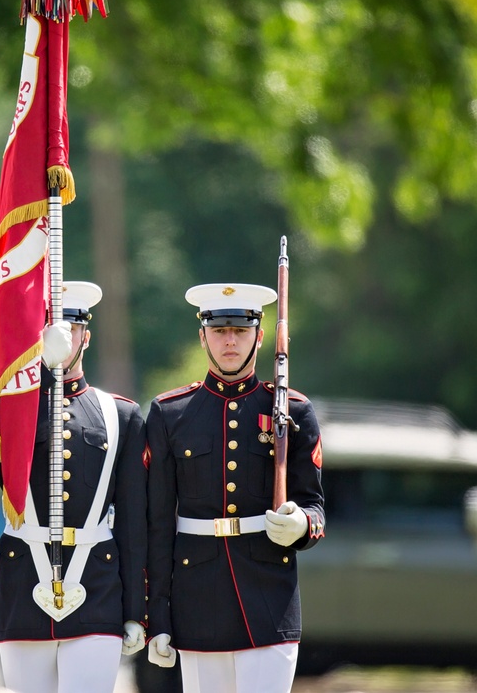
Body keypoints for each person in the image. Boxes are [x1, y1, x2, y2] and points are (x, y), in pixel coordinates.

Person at [0, 281, 149, 693]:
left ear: (87, 335)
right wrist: (35, 371)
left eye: (72, 327)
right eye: (48, 326)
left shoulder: (122, 414)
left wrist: (138, 610)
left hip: (97, 584)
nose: (62, 336)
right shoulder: (8, 404)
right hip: (24, 582)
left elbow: (134, 523)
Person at [145, 283, 326, 693]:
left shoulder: (292, 410)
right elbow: (157, 525)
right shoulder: (170, 414)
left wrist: (302, 525)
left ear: (260, 336)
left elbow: (315, 506)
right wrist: (156, 615)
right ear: (202, 335)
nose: (230, 341)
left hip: (268, 600)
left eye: (241, 331)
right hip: (196, 599)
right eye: (220, 330)